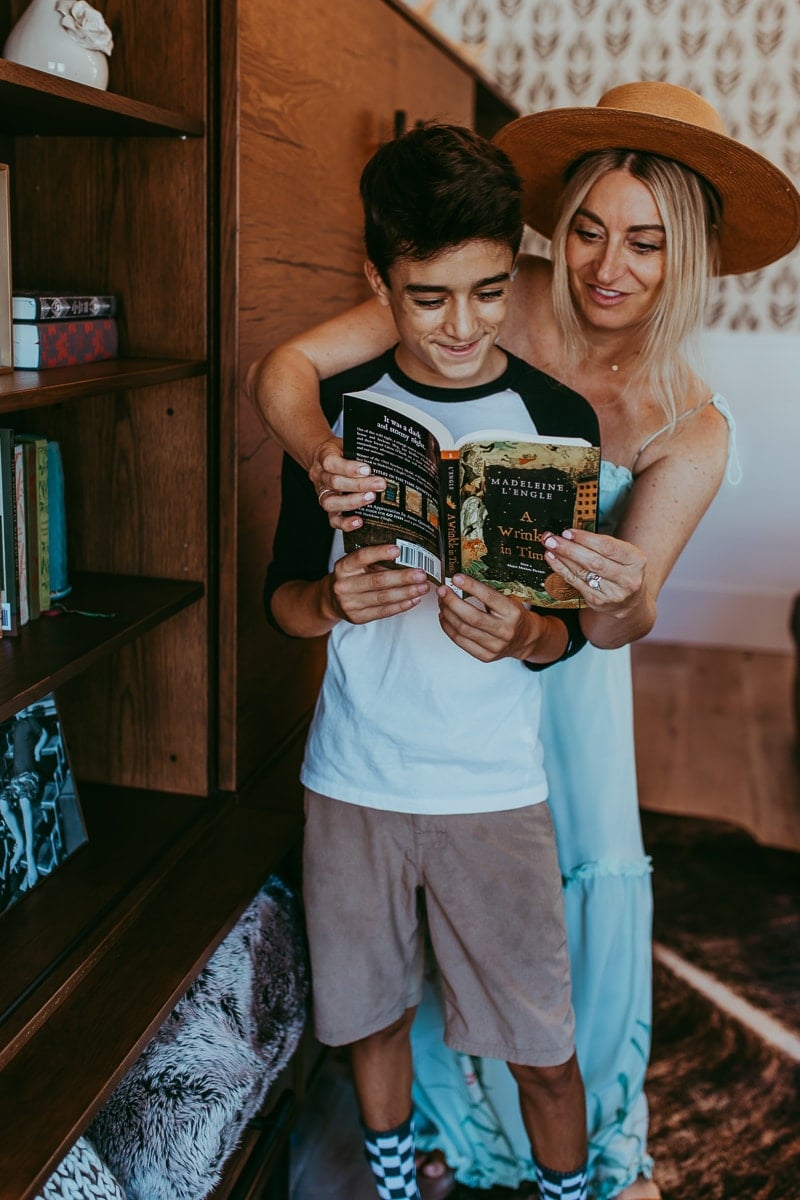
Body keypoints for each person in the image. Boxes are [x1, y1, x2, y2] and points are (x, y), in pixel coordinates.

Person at [250, 84, 800, 1200]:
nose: (608, 265)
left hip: (564, 671)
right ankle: (457, 1127)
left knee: (558, 914)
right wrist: (323, 462)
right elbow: (290, 372)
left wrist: (623, 584)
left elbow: (618, 625)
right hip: (413, 672)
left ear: (682, 256)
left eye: (645, 243)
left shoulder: (687, 421)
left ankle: (593, 1144)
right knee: (420, 909)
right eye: (588, 229)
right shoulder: (490, 288)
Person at [264, 122, 601, 1200]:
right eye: (426, 298)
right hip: (352, 780)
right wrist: (330, 598)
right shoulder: (339, 420)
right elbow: (281, 602)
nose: (462, 327)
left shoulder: (553, 418)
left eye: (489, 292)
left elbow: (560, 639)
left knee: (541, 1046)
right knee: (366, 1019)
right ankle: (398, 1186)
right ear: (378, 280)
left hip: (490, 788)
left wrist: (524, 631)